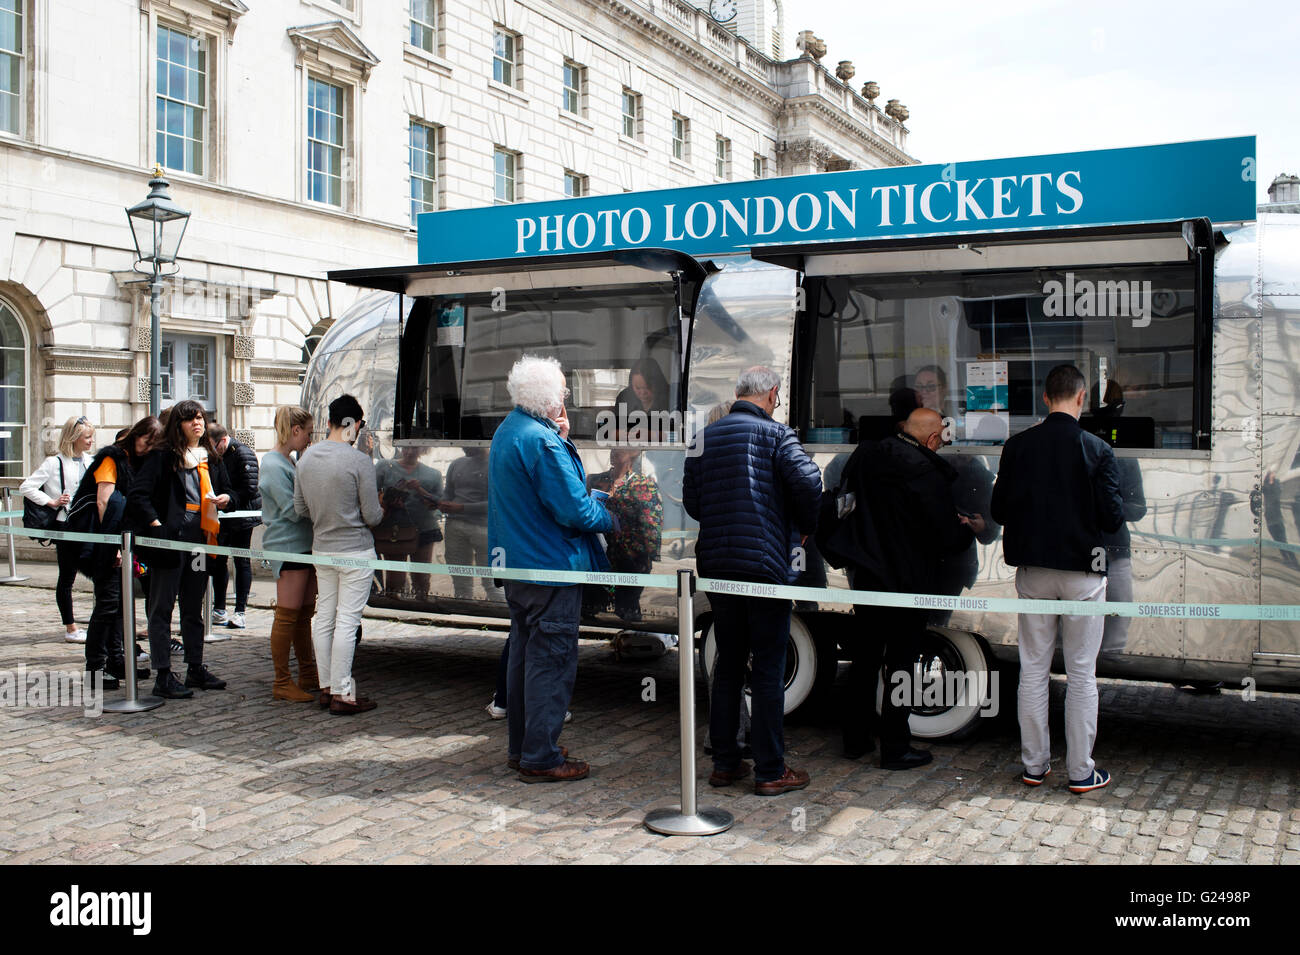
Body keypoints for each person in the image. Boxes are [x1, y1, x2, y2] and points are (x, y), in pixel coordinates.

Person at [683, 366, 821, 796]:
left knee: (728, 663)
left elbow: (692, 502)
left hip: (718, 564)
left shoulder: (704, 437)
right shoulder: (778, 436)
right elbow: (810, 483)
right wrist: (802, 525)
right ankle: (769, 770)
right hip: (763, 564)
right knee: (766, 668)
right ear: (773, 394)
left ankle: (725, 763)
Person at [991, 364, 1124, 794]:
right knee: (1082, 673)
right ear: (1082, 398)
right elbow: (1113, 516)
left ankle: (1034, 765)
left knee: (1033, 669)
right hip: (1084, 574)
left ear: (1046, 399)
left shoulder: (1017, 446)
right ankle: (1082, 772)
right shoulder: (1097, 449)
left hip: (1033, 573)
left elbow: (998, 512)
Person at [488, 355, 614, 782]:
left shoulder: (509, 431)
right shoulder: (541, 443)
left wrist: (561, 436)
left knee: (524, 659)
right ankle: (540, 757)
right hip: (551, 568)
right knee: (552, 662)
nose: (566, 398)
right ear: (548, 398)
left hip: (522, 569)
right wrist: (612, 516)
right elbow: (574, 509)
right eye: (562, 392)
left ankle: (523, 748)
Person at [840, 407, 975, 768]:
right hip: (907, 581)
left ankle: (855, 739)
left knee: (865, 658)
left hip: (867, 575)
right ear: (931, 439)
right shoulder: (927, 471)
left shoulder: (868, 454)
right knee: (900, 663)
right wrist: (969, 528)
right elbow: (945, 536)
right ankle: (895, 747)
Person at [127, 400, 234, 699]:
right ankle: (163, 673)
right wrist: (156, 523)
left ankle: (195, 667)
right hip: (170, 543)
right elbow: (138, 494)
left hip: (200, 542)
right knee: (161, 607)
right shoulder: (162, 456)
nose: (197, 423)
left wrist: (227, 499)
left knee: (193, 606)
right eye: (190, 419)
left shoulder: (209, 457)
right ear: (178, 425)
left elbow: (235, 492)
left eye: (200, 418)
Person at [294, 394, 383, 715]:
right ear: (350, 424)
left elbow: (300, 508)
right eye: (359, 425)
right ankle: (343, 693)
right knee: (347, 621)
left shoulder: (305, 459)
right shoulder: (358, 461)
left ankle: (327, 687)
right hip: (356, 549)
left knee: (325, 618)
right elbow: (372, 516)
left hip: (323, 547)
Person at [69, 416, 160, 688]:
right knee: (107, 606)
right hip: (102, 544)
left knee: (120, 606)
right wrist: (115, 546)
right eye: (146, 441)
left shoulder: (136, 462)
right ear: (136, 435)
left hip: (120, 543)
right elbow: (104, 502)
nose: (148, 448)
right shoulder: (111, 459)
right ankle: (95, 670)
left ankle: (117, 662)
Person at [258, 406, 321, 703]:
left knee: (302, 614)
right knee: (288, 615)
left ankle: (307, 673)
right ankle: (282, 680)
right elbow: (292, 509)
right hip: (288, 545)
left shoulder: (286, 461)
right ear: (295, 431)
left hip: (300, 544)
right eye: (307, 433)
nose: (309, 439)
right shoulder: (273, 463)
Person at [20, 415, 95, 642]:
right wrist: (51, 501)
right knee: (67, 577)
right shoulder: (54, 463)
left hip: (89, 525)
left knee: (102, 576)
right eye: (87, 437)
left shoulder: (90, 461)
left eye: (91, 437)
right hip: (66, 526)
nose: (91, 441)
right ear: (74, 438)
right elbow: (27, 486)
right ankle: (71, 627)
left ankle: (103, 625)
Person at [587, 442, 663, 622]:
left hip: (630, 558)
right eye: (613, 448)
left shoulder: (644, 484)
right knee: (590, 609)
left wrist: (647, 557)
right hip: (598, 557)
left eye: (620, 448)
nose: (614, 451)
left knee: (628, 610)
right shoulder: (596, 480)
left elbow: (652, 524)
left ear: (634, 453)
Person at [206, 423, 262, 630]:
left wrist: (230, 498)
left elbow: (249, 487)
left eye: (213, 445)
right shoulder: (215, 456)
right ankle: (219, 609)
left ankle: (240, 611)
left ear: (222, 440)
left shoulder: (242, 454)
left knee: (241, 561)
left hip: (242, 517)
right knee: (219, 561)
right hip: (223, 516)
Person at [373, 446, 443, 599]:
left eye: (415, 448)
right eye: (406, 448)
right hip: (394, 530)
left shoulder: (433, 474)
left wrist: (420, 491)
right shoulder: (384, 467)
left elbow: (440, 503)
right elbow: (371, 494)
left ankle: (420, 606)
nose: (410, 452)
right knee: (394, 578)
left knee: (421, 578)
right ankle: (395, 605)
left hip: (424, 528)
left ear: (422, 450)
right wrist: (388, 500)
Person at [439, 447, 501, 602]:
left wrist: (462, 507)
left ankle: (498, 615)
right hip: (455, 526)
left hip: (486, 528)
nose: (463, 447)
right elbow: (448, 493)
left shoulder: (497, 465)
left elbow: (499, 502)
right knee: (460, 581)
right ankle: (464, 609)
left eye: (467, 444)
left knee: (493, 582)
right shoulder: (457, 463)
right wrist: (439, 503)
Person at [614, 358, 672, 442]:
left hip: (664, 453)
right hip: (629, 451)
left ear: (658, 383)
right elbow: (607, 432)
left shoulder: (671, 397)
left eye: (647, 387)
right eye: (637, 388)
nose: (642, 392)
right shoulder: (624, 398)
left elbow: (681, 435)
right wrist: (622, 434)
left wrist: (653, 435)